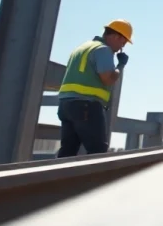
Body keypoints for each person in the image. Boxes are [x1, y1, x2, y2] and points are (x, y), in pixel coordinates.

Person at [56, 20, 133, 157]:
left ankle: (54, 178)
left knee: (67, 152)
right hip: (86, 105)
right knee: (98, 153)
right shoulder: (104, 50)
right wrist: (120, 65)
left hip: (65, 105)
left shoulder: (82, 47)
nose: (121, 48)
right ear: (116, 36)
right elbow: (107, 79)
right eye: (123, 43)